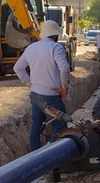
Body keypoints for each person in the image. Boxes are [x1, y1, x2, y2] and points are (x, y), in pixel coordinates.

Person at [13, 20, 70, 151]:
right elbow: (65, 68)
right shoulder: (56, 47)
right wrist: (64, 88)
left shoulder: (31, 47)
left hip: (35, 95)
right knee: (60, 128)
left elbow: (17, 68)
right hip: (51, 98)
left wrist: (30, 83)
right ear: (56, 34)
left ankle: (35, 158)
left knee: (36, 128)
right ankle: (53, 160)